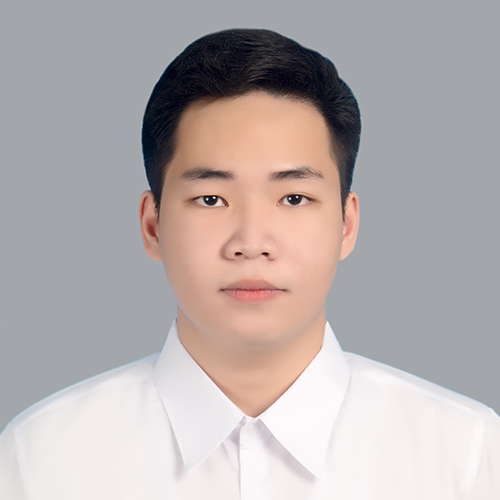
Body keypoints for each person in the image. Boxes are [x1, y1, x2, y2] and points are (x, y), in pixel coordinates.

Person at [0, 28, 498, 499]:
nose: (252, 243)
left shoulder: (468, 456)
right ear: (153, 226)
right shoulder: (42, 459)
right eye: (211, 199)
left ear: (347, 225)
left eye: (295, 198)